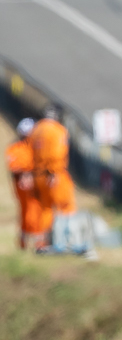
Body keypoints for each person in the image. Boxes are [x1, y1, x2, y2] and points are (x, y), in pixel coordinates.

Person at [29, 104, 75, 249]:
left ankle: (43, 240)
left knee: (45, 208)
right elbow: (57, 152)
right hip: (53, 173)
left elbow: (29, 151)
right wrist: (55, 171)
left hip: (38, 174)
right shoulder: (57, 130)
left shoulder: (36, 129)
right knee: (66, 205)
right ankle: (65, 239)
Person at [6, 117, 42, 249]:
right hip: (22, 183)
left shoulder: (34, 147)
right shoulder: (16, 148)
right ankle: (34, 240)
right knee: (30, 210)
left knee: (35, 209)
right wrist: (25, 176)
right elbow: (14, 166)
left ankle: (30, 239)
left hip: (35, 180)